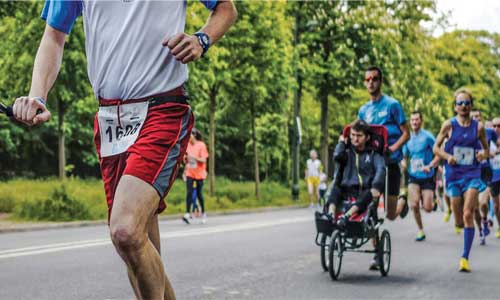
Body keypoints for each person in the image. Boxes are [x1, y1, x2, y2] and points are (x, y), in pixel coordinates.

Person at [12, 1, 237, 299]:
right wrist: (36, 96)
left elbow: (226, 8)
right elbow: (54, 36)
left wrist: (202, 39)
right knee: (137, 251)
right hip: (111, 120)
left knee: (125, 230)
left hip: (162, 108)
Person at [434, 89, 489, 272]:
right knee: (459, 221)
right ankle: (462, 224)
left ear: (471, 105)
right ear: (455, 106)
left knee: (468, 213)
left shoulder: (478, 127)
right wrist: (447, 156)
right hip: (454, 176)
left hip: (472, 174)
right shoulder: (448, 125)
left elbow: (486, 150)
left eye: (467, 103)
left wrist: (483, 154)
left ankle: (464, 258)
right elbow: (436, 148)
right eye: (460, 103)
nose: (464, 106)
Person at [358, 66, 410, 222]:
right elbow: (360, 135)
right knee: (370, 205)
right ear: (365, 83)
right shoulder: (363, 110)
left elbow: (406, 134)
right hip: (372, 163)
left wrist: (393, 148)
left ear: (381, 81)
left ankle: (402, 201)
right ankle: (375, 244)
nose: (371, 82)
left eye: (374, 79)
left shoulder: (392, 105)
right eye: (368, 79)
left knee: (390, 214)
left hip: (391, 162)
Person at [326, 120, 385, 228]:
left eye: (359, 136)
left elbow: (381, 169)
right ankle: (330, 215)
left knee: (368, 194)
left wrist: (376, 186)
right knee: (334, 189)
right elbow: (337, 157)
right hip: (346, 190)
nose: (355, 139)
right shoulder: (346, 152)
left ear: (367, 138)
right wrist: (341, 142)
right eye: (352, 135)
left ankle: (346, 216)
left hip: (364, 191)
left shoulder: (373, 154)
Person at [401, 111, 440, 241]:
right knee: (414, 205)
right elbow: (404, 155)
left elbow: (438, 152)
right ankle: (420, 230)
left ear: (421, 121)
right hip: (413, 176)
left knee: (428, 208)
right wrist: (403, 163)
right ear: (410, 122)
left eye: (417, 120)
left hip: (427, 175)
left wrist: (431, 164)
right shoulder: (408, 138)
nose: (414, 122)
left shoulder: (428, 137)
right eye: (412, 120)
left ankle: (429, 199)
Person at [471, 109, 498, 244]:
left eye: (477, 116)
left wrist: (492, 153)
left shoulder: (489, 132)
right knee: (475, 208)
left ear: (481, 118)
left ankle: (485, 218)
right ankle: (481, 229)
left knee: (483, 202)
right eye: (473, 116)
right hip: (471, 172)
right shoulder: (464, 132)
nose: (475, 118)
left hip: (486, 171)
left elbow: (497, 144)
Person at [183, 128, 209, 224]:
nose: (188, 137)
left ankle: (203, 213)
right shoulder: (187, 145)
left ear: (194, 136)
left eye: (189, 135)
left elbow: (204, 160)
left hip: (200, 173)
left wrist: (194, 157)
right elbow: (185, 160)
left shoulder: (201, 145)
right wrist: (185, 159)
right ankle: (187, 213)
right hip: (190, 172)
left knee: (199, 194)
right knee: (189, 192)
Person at [490, 117, 500, 238]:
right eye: (494, 126)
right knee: (496, 206)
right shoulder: (488, 141)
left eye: (499, 126)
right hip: (493, 177)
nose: (496, 128)